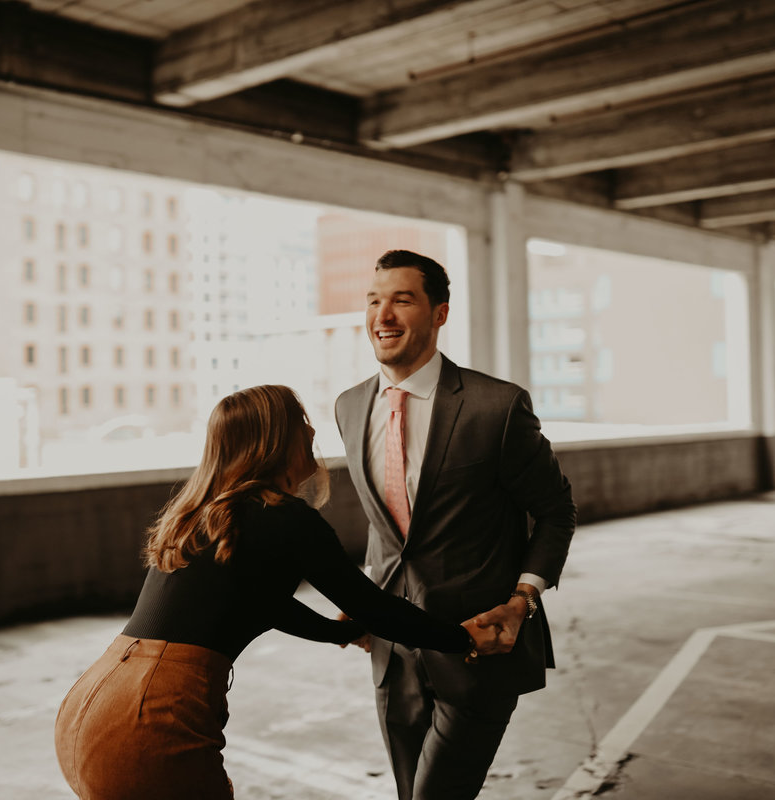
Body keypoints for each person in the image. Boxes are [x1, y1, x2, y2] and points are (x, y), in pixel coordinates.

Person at [54, 384, 494, 800]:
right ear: (275, 440)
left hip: (91, 704)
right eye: (301, 419)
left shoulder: (209, 515)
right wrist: (465, 638)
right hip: (150, 720)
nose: (312, 429)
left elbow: (267, 604)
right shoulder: (285, 517)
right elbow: (377, 607)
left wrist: (342, 633)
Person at [335, 250, 577, 800]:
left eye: (403, 299)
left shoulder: (497, 406)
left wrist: (523, 599)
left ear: (439, 313)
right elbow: (389, 528)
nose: (384, 315)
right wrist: (369, 594)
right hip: (391, 647)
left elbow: (556, 511)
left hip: (479, 646)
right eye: (374, 300)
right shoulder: (349, 407)